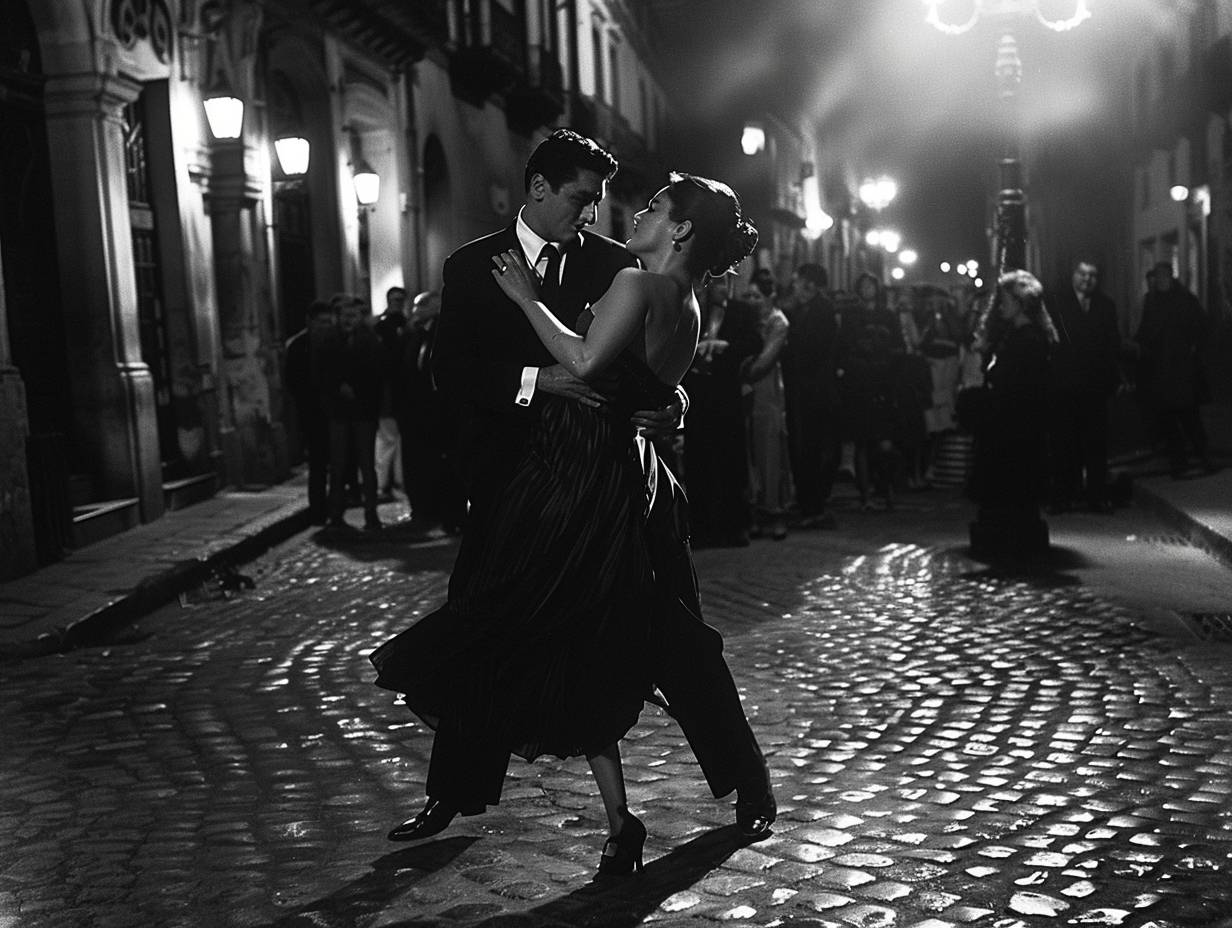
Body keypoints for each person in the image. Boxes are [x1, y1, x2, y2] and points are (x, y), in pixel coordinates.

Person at [370, 133, 774, 870]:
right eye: (581, 198)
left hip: (593, 482)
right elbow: (451, 371)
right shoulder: (471, 265)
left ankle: (740, 778)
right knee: (495, 628)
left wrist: (673, 402)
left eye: (600, 201)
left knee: (663, 639)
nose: (592, 214)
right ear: (538, 190)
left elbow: (635, 349)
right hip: (511, 476)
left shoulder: (620, 265)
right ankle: (454, 792)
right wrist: (534, 381)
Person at [959, 270, 1057, 558]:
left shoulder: (1029, 339)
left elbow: (1020, 383)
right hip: (1006, 422)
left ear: (1021, 302)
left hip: (1017, 425)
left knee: (1014, 488)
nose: (1000, 305)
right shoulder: (1014, 335)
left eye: (1005, 300)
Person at [683, 279, 760, 547]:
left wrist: (727, 348)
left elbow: (754, 342)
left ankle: (735, 525)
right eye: (715, 283)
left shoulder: (742, 311)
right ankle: (701, 527)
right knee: (698, 460)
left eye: (725, 283)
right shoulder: (691, 307)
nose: (721, 288)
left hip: (727, 392)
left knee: (732, 460)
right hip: (699, 394)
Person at [1046, 260, 1121, 512]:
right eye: (1082, 273)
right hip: (1065, 385)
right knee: (1065, 443)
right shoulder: (1057, 303)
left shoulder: (1105, 305)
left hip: (1094, 385)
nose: (1087, 279)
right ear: (1073, 275)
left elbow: (1112, 344)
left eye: (1093, 275)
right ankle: (1063, 495)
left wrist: (1112, 379)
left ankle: (1096, 496)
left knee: (1096, 444)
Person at [1133, 262, 1212, 478]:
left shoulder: (1185, 300)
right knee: (1169, 420)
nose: (1160, 280)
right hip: (1161, 369)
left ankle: (1202, 457)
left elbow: (1202, 326)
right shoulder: (1152, 301)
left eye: (1163, 276)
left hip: (1181, 369)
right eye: (1157, 276)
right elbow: (1145, 330)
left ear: (1169, 276)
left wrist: (1193, 348)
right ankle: (1180, 462)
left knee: (1189, 417)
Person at [781, 263, 840, 529]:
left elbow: (812, 349)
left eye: (798, 281)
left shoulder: (821, 310)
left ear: (810, 284)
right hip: (806, 388)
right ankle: (809, 503)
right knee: (806, 447)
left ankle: (813, 505)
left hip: (814, 389)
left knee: (812, 447)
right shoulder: (807, 309)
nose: (794, 286)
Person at [319, 296, 383, 532]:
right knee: (338, 465)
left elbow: (377, 373)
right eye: (345, 316)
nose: (349, 320)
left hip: (364, 411)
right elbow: (321, 372)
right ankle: (335, 513)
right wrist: (338, 387)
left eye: (353, 316)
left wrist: (357, 388)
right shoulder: (328, 340)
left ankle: (371, 513)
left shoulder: (370, 340)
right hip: (338, 411)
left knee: (367, 464)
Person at [742, 283, 792, 539]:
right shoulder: (746, 319)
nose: (751, 300)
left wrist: (738, 373)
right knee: (750, 454)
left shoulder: (777, 322)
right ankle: (754, 512)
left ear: (769, 297)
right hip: (746, 396)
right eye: (747, 296)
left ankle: (776, 512)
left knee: (769, 454)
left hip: (766, 394)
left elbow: (764, 361)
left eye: (756, 296)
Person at [284, 300, 336, 524]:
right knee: (317, 464)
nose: (325, 326)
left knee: (337, 463)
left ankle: (335, 509)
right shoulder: (298, 345)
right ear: (311, 322)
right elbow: (292, 381)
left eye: (328, 322)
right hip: (311, 412)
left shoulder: (334, 341)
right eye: (321, 322)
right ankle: (318, 511)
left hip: (334, 412)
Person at [373, 286, 410, 501]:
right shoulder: (386, 326)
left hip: (397, 392)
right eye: (394, 299)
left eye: (400, 299)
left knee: (392, 440)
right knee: (388, 439)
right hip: (389, 391)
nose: (397, 303)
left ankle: (390, 482)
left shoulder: (400, 325)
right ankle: (385, 483)